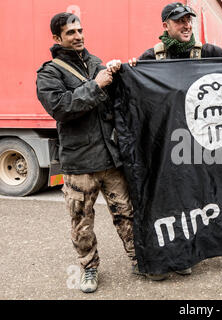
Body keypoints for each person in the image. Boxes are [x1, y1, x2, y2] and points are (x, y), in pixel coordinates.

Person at [114, 2, 222, 278]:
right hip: (163, 148)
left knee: (194, 201)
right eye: (179, 21)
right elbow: (136, 99)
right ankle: (161, 258)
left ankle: (186, 255)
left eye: (189, 20)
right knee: (164, 202)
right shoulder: (150, 58)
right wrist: (126, 70)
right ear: (165, 25)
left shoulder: (207, 53)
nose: (187, 25)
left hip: (196, 149)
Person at [36, 13, 141, 293]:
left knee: (127, 214)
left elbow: (118, 102)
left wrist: (125, 72)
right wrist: (96, 85)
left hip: (109, 159)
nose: (78, 36)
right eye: (70, 32)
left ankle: (138, 258)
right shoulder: (49, 73)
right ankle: (89, 268)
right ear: (57, 38)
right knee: (82, 222)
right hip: (79, 164)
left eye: (80, 30)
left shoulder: (96, 63)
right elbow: (61, 107)